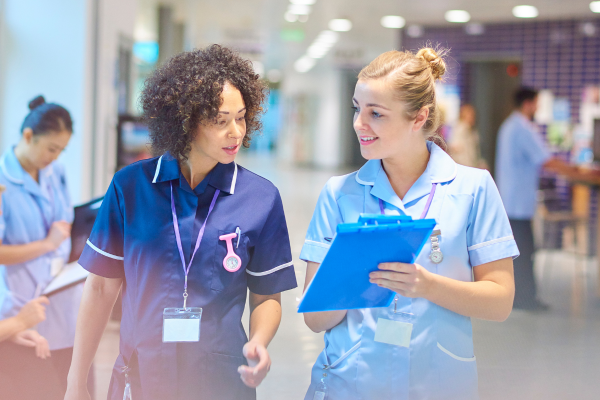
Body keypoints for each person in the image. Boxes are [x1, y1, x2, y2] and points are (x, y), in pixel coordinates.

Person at [65, 45, 297, 400]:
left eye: (242, 117)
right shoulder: (131, 187)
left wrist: (259, 343)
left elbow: (267, 294)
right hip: (142, 374)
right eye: (220, 121)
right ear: (185, 121)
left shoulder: (260, 198)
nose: (236, 132)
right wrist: (76, 380)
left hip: (220, 379)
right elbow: (99, 289)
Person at [300, 48, 518, 400]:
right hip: (351, 383)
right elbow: (315, 319)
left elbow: (499, 301)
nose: (359, 123)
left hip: (438, 383)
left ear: (419, 117)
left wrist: (428, 286)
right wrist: (349, 271)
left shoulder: (473, 189)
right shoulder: (339, 194)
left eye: (376, 114)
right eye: (357, 108)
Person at [0, 95, 78, 395]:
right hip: (21, 302)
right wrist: (46, 245)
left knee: (70, 383)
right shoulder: (4, 184)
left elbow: (64, 221)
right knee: (39, 386)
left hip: (63, 293)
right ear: (28, 136)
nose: (55, 157)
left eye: (61, 150)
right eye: (51, 148)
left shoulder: (55, 171)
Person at [495, 87, 575, 311]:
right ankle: (525, 299)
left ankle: (520, 297)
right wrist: (576, 171)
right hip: (518, 204)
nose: (538, 107)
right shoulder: (522, 127)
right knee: (524, 254)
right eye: (537, 103)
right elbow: (546, 160)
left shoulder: (509, 125)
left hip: (511, 201)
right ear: (529, 103)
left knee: (520, 253)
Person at [449, 104, 487, 168]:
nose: (472, 117)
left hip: (472, 167)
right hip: (463, 167)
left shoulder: (473, 132)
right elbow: (455, 150)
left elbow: (476, 154)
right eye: (470, 115)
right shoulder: (459, 130)